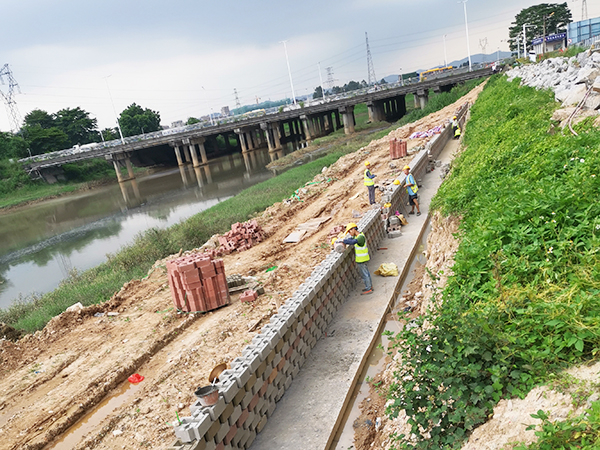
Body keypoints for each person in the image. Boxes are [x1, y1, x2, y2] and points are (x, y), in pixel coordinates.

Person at [343, 223, 373, 295]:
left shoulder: (360, 237)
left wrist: (343, 241)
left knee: (365, 274)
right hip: (361, 259)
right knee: (366, 273)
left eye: (350, 231)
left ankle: (369, 288)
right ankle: (369, 287)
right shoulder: (356, 236)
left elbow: (353, 242)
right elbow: (351, 239)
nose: (349, 233)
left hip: (362, 259)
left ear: (353, 229)